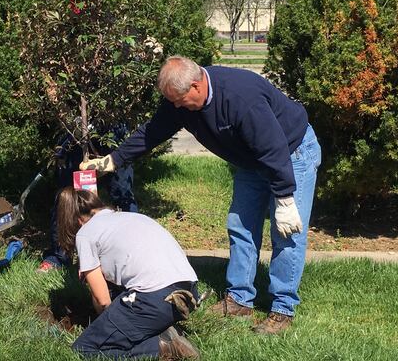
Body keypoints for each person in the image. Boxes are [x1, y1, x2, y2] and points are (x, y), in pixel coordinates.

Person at [81, 55, 322, 334]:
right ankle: (240, 300)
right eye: (171, 101)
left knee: (287, 233)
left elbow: (273, 147)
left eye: (179, 101)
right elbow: (153, 131)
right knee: (240, 227)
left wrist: (284, 198)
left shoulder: (240, 98)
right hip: (251, 160)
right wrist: (113, 159)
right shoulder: (180, 100)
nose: (175, 107)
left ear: (196, 86)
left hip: (291, 152)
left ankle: (282, 308)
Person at [56, 187, 200, 360]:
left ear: (77, 221)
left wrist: (106, 324)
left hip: (153, 299)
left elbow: (103, 302)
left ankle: (163, 346)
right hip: (188, 293)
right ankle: (163, 328)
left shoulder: (86, 234)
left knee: (84, 349)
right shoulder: (134, 217)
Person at [38, 126, 138, 272]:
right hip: (74, 134)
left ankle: (132, 251)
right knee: (65, 197)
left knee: (122, 194)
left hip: (111, 129)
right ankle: (59, 256)